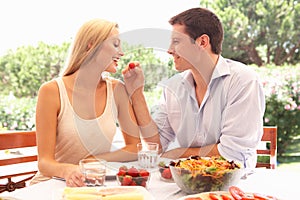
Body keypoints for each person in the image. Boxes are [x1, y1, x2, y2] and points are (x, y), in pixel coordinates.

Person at [122, 7, 265, 169]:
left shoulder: (243, 81)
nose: (169, 50)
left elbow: (231, 153)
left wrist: (175, 154)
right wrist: (136, 93)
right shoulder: (173, 87)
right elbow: (157, 144)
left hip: (233, 185)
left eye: (176, 41)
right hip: (186, 181)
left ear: (202, 42)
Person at [31, 18, 141, 187]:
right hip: (52, 184)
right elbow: (44, 163)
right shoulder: (52, 91)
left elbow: (135, 147)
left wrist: (96, 159)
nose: (122, 52)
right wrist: (68, 170)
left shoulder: (117, 90)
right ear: (91, 45)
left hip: (92, 185)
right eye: (115, 44)